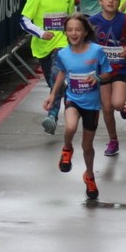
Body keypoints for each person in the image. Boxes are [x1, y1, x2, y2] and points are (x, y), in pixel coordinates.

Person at [45, 14, 113, 201]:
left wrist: (97, 78)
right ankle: (67, 149)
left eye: (77, 29)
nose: (73, 33)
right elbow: (61, 73)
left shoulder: (96, 51)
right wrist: (52, 94)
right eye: (70, 30)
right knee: (71, 127)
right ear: (65, 33)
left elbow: (107, 73)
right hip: (73, 99)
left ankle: (89, 176)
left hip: (91, 104)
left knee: (87, 146)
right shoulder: (63, 54)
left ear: (85, 32)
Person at [21, 0, 76, 135]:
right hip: (42, 46)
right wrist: (41, 33)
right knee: (54, 82)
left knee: (56, 73)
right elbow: (24, 21)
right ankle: (72, 98)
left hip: (62, 44)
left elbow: (71, 16)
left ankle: (52, 116)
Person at [88, 0, 126, 157]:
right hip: (102, 70)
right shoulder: (92, 21)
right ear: (100, 1)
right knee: (108, 108)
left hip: (120, 66)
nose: (111, 1)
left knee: (117, 104)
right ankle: (113, 140)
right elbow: (86, 40)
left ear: (119, 2)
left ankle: (124, 99)